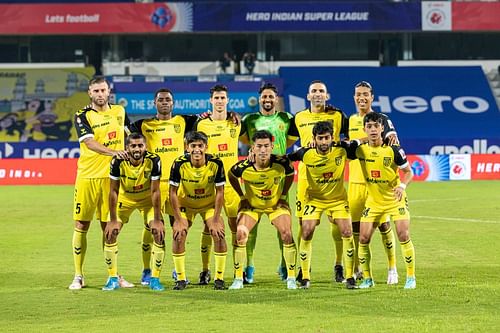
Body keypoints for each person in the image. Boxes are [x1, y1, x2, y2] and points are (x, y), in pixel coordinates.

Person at [69, 76, 133, 290]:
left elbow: (133, 134)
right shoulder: (82, 115)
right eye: (95, 91)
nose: (99, 94)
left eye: (102, 90)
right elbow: (89, 142)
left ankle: (114, 276)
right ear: (90, 93)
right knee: (81, 225)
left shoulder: (120, 112)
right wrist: (115, 152)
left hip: (112, 179)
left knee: (110, 227)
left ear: (109, 91)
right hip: (87, 177)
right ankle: (78, 275)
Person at [130, 88, 198, 286]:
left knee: (179, 227)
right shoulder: (143, 125)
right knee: (152, 228)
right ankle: (146, 269)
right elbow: (122, 132)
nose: (164, 102)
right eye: (161, 100)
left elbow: (207, 118)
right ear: (154, 103)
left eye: (168, 99)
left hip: (178, 183)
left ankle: (179, 271)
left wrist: (232, 115)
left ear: (173, 103)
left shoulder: (183, 121)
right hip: (154, 184)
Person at [347, 112, 416, 289]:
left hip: (395, 199)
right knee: (363, 237)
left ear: (382, 128)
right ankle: (368, 279)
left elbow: (409, 172)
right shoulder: (360, 150)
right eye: (369, 127)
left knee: (403, 234)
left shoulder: (393, 150)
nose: (372, 130)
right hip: (373, 202)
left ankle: (410, 277)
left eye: (376, 126)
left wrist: (402, 186)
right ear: (364, 129)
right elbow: (340, 150)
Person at [239, 82, 299, 282]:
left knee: (283, 225)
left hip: (278, 179)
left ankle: (284, 264)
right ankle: (249, 266)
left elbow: (289, 141)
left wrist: (278, 155)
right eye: (264, 96)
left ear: (276, 99)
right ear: (259, 98)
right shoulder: (249, 119)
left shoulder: (286, 118)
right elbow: (246, 141)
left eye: (271, 97)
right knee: (251, 226)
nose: (267, 100)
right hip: (255, 177)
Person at [288, 121, 357, 289]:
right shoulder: (305, 153)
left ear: (332, 137)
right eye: (320, 138)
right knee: (307, 230)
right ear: (314, 139)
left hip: (338, 199)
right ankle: (305, 276)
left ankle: (350, 277)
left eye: (327, 138)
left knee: (346, 230)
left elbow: (362, 147)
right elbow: (285, 160)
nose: (324, 142)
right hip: (314, 200)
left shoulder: (342, 150)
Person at [294, 80, 349, 283]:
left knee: (337, 222)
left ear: (327, 96)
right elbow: (292, 141)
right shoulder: (299, 117)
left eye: (321, 91)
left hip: (331, 175)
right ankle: (303, 268)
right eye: (314, 91)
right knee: (304, 225)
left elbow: (348, 138)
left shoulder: (337, 115)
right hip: (306, 177)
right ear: (308, 96)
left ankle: (339, 264)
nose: (318, 94)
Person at [228, 130, 297, 290]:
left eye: (266, 146)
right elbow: (231, 175)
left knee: (287, 233)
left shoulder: (281, 163)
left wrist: (284, 195)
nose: (263, 150)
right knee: (240, 234)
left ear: (272, 146)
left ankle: (291, 278)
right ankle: (238, 278)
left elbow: (290, 173)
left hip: (275, 206)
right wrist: (242, 197)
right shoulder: (243, 167)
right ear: (253, 147)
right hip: (252, 207)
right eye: (259, 146)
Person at [348, 81, 400, 284]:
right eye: (358, 94)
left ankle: (392, 268)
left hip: (378, 185)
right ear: (354, 97)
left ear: (372, 97)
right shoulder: (349, 120)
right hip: (355, 182)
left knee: (384, 225)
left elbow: (393, 143)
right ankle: (357, 269)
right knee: (354, 228)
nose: (362, 97)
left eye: (366, 94)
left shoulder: (382, 120)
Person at [103, 133, 165, 291]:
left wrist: (157, 219)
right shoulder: (117, 161)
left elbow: (156, 191)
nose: (137, 149)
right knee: (110, 233)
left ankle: (154, 278)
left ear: (145, 146)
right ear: (127, 147)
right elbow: (113, 191)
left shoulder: (154, 160)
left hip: (147, 200)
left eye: (140, 145)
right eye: (133, 146)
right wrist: (112, 218)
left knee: (158, 231)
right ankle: (112, 278)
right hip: (126, 199)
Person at [194, 84, 241, 285]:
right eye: (217, 98)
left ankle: (239, 273)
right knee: (208, 228)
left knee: (235, 228)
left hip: (231, 184)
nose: (220, 101)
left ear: (227, 100)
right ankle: (205, 271)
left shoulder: (236, 122)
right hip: (210, 185)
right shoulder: (201, 124)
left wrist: (234, 114)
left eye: (223, 98)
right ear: (210, 101)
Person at [169, 131, 228, 290]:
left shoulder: (216, 163)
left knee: (219, 233)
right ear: (186, 147)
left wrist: (215, 219)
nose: (197, 149)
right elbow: (172, 192)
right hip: (186, 205)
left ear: (206, 147)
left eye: (200, 146)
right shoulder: (179, 163)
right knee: (178, 234)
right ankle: (180, 279)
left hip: (208, 205)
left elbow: (220, 192)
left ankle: (219, 278)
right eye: (193, 146)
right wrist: (178, 219)